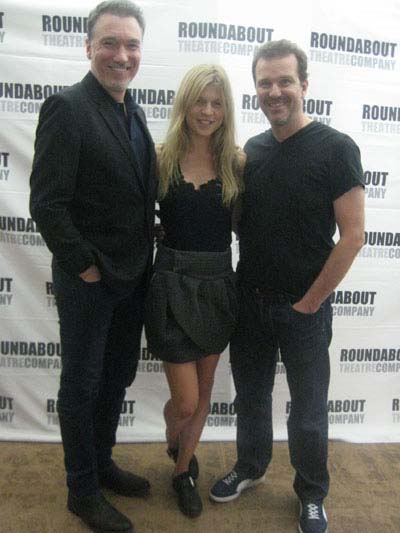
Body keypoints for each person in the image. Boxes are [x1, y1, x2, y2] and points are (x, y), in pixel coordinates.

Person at [209, 40, 365, 533]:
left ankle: (312, 493)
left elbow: (354, 236)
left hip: (306, 310)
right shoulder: (250, 152)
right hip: (248, 302)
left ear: (304, 84)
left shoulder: (337, 148)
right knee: (250, 399)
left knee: (309, 413)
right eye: (264, 83)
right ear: (255, 89)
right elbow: (241, 223)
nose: (274, 91)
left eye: (284, 81)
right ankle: (251, 467)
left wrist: (310, 303)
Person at [29, 2, 157, 532]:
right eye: (109, 43)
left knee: (116, 377)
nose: (120, 55)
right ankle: (81, 490)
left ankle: (101, 464)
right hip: (91, 282)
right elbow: (47, 204)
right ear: (88, 47)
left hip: (133, 276)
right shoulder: (67, 107)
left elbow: (125, 190)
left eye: (130, 45)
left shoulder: (135, 110)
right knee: (81, 386)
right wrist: (83, 266)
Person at [144, 64, 244, 518]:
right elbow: (134, 215)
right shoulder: (160, 156)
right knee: (183, 402)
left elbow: (244, 226)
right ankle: (174, 440)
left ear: (226, 110)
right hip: (170, 285)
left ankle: (182, 470)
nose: (207, 111)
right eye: (200, 101)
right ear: (184, 103)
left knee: (202, 399)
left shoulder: (237, 163)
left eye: (216, 103)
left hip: (219, 284)